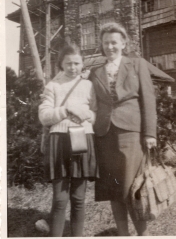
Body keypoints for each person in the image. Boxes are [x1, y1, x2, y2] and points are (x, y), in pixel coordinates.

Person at [89, 22, 157, 236]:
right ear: (101, 44)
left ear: (124, 43)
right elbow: (90, 102)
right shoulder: (95, 71)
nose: (110, 46)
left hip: (130, 133)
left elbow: (148, 100)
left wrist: (150, 133)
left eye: (114, 42)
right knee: (113, 188)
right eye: (106, 42)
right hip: (104, 134)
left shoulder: (137, 65)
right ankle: (122, 233)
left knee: (132, 188)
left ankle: (142, 233)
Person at [38, 44, 98, 237]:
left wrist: (86, 115)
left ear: (82, 64)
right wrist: (67, 110)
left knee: (79, 198)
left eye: (77, 63)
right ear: (61, 65)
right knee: (60, 199)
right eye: (68, 63)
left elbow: (95, 114)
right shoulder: (53, 86)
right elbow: (44, 116)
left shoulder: (89, 85)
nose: (73, 67)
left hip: (82, 138)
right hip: (59, 142)